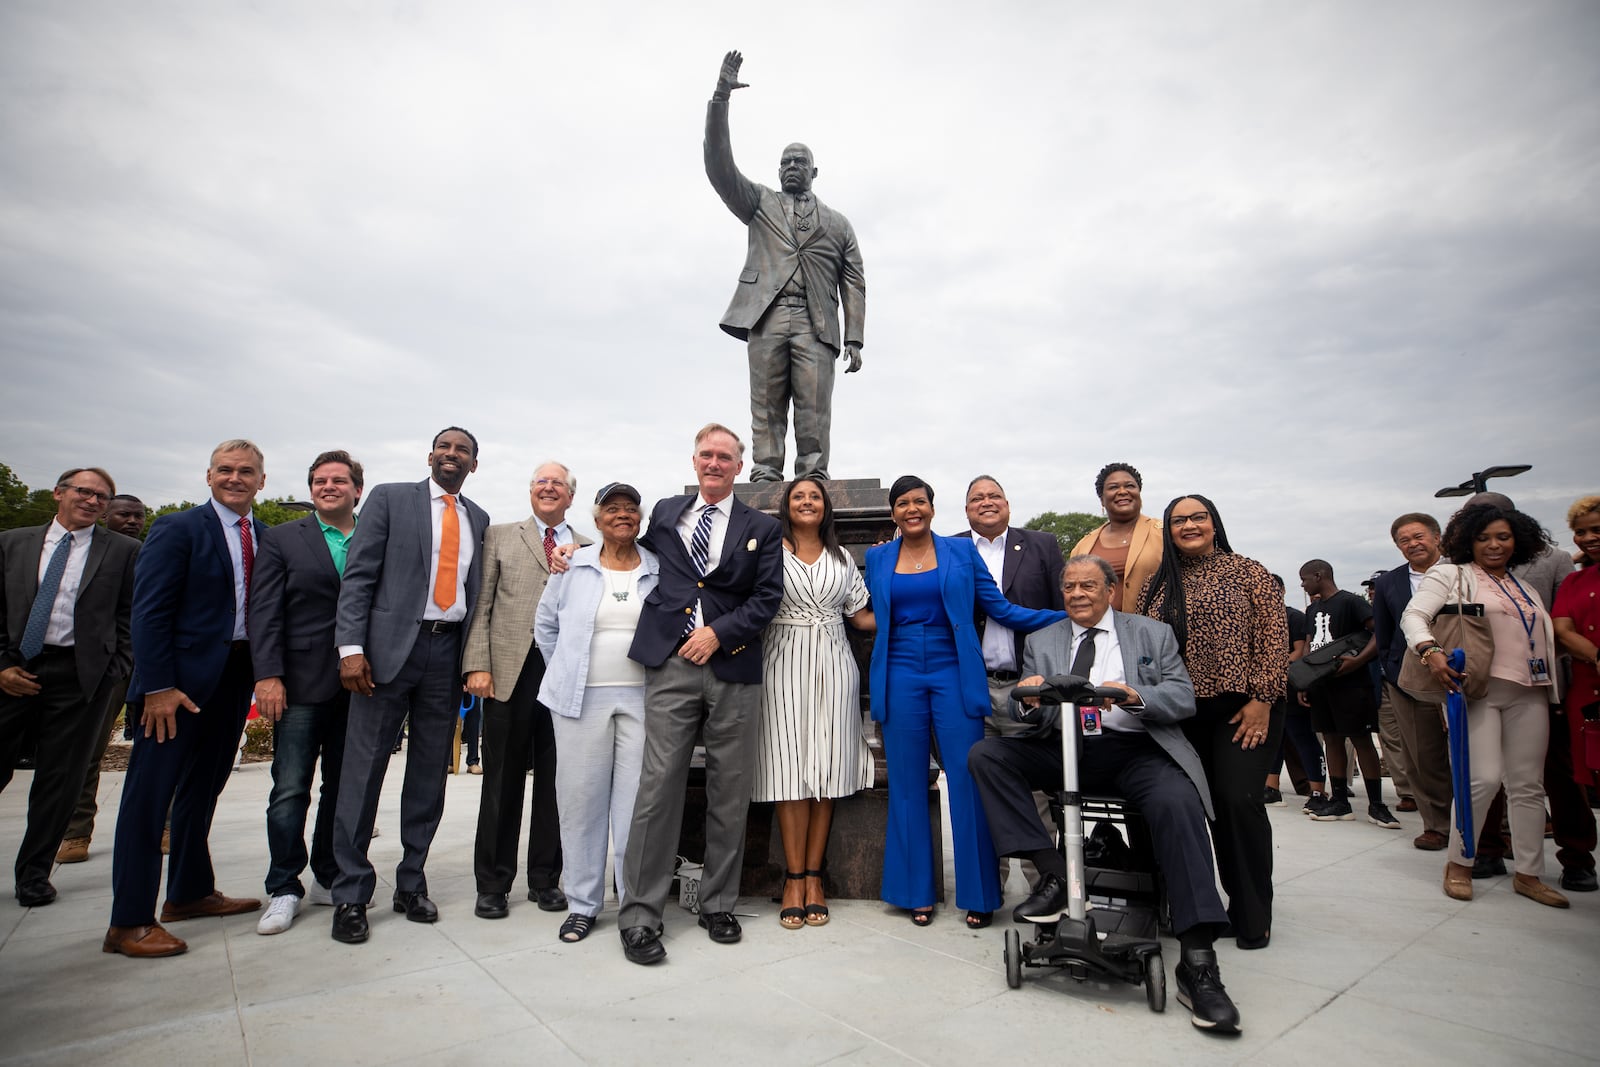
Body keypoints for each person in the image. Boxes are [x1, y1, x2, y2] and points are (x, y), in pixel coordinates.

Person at [969, 555, 1241, 1034]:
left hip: (1137, 748)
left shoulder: (1150, 633)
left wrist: (1135, 696)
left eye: (1088, 586)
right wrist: (1031, 702)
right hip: (1067, 748)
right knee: (987, 757)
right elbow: (1037, 719)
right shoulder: (1042, 640)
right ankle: (1054, 877)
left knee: (1177, 802)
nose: (1077, 594)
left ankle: (1198, 961)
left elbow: (1183, 696)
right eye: (1069, 586)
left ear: (1110, 591)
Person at [616, 424, 783, 966]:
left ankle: (717, 903)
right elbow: (625, 550)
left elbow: (767, 598)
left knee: (729, 790)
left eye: (725, 457)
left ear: (740, 466)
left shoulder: (763, 525)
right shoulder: (666, 511)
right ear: (694, 462)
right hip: (670, 664)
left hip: (733, 666)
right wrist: (574, 550)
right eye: (706, 455)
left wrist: (720, 633)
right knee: (657, 786)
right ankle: (641, 913)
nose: (714, 464)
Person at [865, 476, 1063, 929]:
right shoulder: (877, 557)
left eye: (920, 502)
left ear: (933, 508)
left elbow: (1003, 610)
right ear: (893, 513)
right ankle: (914, 891)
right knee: (908, 783)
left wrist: (1070, 614)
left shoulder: (960, 552)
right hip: (897, 673)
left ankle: (979, 893)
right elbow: (862, 610)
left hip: (954, 671)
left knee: (968, 779)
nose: (912, 509)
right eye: (902, 504)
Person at [106, 441, 268, 958]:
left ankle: (190, 892)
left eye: (246, 472)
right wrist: (155, 686)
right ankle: (129, 920)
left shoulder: (265, 536)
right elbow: (148, 612)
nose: (235, 478)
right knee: (149, 800)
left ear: (261, 482)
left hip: (232, 681)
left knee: (203, 790)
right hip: (173, 690)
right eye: (225, 470)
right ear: (208, 475)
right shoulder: (177, 529)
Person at [329, 428, 491, 943]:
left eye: (462, 450)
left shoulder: (478, 519)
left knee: (428, 774)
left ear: (473, 464)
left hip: (446, 655)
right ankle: (352, 891)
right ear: (430, 456)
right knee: (362, 772)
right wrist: (350, 649)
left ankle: (411, 881)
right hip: (385, 654)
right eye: (444, 447)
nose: (451, 455)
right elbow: (359, 577)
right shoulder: (389, 498)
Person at [705, 50, 865, 483]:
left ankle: (813, 475)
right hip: (768, 315)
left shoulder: (838, 223)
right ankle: (765, 472)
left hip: (816, 323)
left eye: (799, 162)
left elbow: (854, 281)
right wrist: (721, 97)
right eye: (784, 162)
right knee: (767, 402)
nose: (791, 167)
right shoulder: (759, 203)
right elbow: (719, 167)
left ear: (815, 171)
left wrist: (854, 336)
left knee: (814, 408)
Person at [1138, 494, 1287, 950]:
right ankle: (1181, 903)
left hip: (1241, 709)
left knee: (1236, 803)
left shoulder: (1249, 573)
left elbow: (1274, 638)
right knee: (1173, 803)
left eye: (1197, 517)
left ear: (1214, 523)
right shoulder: (1157, 585)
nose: (1188, 526)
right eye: (1178, 520)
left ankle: (1250, 911)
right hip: (1178, 714)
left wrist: (1263, 699)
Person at [1403, 502, 1567, 907]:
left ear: (1518, 542)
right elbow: (1414, 616)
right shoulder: (1452, 575)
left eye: (1503, 537)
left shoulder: (1524, 586)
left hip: (1530, 690)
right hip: (1478, 690)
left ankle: (1530, 873)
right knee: (1483, 779)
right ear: (1467, 540)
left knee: (1528, 785)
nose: (1494, 545)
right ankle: (1460, 864)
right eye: (1484, 538)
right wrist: (1431, 651)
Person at [0, 468, 138, 908]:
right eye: (84, 492)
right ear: (59, 493)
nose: (93, 501)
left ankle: (33, 875)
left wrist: (115, 669)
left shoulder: (123, 551)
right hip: (15, 670)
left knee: (60, 782)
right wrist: (1, 665)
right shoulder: (13, 543)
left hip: (83, 678)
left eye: (102, 496)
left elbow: (132, 616)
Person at [462, 462, 590, 920]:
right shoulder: (499, 536)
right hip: (508, 675)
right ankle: (493, 883)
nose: (549, 488)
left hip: (562, 679)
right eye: (542, 481)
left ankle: (545, 879)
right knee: (501, 780)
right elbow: (483, 603)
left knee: (558, 783)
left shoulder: (588, 549)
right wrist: (477, 664)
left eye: (558, 483)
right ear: (531, 492)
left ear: (571, 498)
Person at [535, 482, 659, 943]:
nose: (622, 515)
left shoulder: (656, 568)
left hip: (643, 699)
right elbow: (546, 625)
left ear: (640, 519)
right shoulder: (572, 565)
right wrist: (569, 670)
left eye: (630, 509)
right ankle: (583, 904)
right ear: (597, 518)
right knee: (581, 802)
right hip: (580, 700)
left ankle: (634, 904)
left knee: (635, 807)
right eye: (612, 509)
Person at [753, 477, 876, 930]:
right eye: (799, 496)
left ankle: (814, 878)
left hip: (835, 663)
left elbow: (861, 616)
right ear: (788, 507)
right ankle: (791, 878)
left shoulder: (843, 558)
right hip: (781, 660)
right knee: (788, 770)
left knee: (826, 768)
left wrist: (916, 606)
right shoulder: (768, 551)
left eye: (815, 497)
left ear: (826, 508)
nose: (807, 502)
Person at [248, 450, 362, 935]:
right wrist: (268, 675)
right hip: (297, 683)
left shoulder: (374, 535)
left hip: (360, 684)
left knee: (342, 788)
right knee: (290, 787)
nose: (328, 487)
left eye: (339, 480)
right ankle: (283, 886)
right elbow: (264, 611)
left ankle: (328, 873)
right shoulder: (281, 539)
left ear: (358, 488)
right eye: (320, 480)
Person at [958, 474, 1064, 893]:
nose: (986, 502)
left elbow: (1064, 612)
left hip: (1027, 686)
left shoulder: (1042, 545)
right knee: (980, 786)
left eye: (994, 496)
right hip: (971, 686)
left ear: (1007, 503)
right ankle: (987, 886)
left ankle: (1047, 884)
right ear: (966, 509)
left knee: (1035, 791)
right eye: (976, 498)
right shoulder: (950, 548)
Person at [55, 493, 145, 864]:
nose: (132, 521)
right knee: (87, 751)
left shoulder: (144, 553)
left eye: (138, 516)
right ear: (106, 515)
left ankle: (161, 826)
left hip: (147, 664)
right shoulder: (83, 556)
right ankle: (76, 831)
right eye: (124, 514)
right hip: (105, 666)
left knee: (159, 748)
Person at [1372, 513, 1454, 851]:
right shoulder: (1390, 583)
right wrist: (1393, 673)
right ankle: (1436, 824)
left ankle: (1498, 827)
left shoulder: (1463, 573)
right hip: (1410, 677)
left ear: (1437, 537)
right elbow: (1384, 631)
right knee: (1422, 756)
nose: (1412, 544)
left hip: (1461, 674)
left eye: (1418, 536)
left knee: (1478, 755)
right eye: (1404, 541)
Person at [1297, 560, 1397, 829]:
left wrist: (1359, 660)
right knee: (1331, 740)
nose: (1303, 584)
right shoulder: (1312, 609)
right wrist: (1305, 681)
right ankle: (1340, 800)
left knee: (1361, 739)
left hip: (1351, 683)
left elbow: (1379, 633)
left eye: (1305, 579)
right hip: (1321, 684)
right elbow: (1309, 645)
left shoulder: (1351, 602)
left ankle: (1377, 804)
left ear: (1319, 575)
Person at [1552, 495, 1600, 893]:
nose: (1588, 538)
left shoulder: (1556, 565)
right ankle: (1580, 858)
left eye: (1596, 530)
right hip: (1585, 690)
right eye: (1581, 532)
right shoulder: (1574, 580)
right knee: (1585, 773)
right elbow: (1563, 631)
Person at [1071, 463, 1164, 613]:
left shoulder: (1163, 533)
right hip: (1099, 631)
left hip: (1152, 629)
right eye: (1113, 487)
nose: (1122, 491)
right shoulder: (1084, 546)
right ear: (1102, 499)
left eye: (1130, 486)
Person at [1264, 574, 1320, 805]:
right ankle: (1271, 787)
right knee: (1272, 740)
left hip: (1292, 685)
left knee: (1303, 737)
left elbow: (1299, 651)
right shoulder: (1259, 617)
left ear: (1283, 591)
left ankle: (1318, 790)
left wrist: (1271, 666)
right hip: (1268, 690)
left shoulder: (1294, 617)